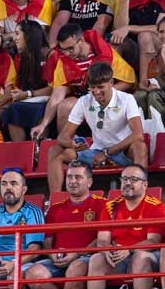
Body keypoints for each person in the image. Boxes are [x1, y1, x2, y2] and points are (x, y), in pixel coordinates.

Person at [46, 62, 147, 194]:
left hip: (122, 150)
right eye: (92, 87)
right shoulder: (84, 101)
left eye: (100, 87)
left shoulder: (127, 99)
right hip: (95, 151)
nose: (96, 92)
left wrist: (106, 153)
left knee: (140, 146)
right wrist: (73, 144)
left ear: (111, 82)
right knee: (55, 150)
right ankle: (54, 201)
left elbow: (138, 134)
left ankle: (143, 195)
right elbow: (62, 137)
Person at [31, 24, 135, 141]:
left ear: (81, 40)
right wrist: (43, 124)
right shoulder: (64, 61)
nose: (67, 53)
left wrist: (103, 92)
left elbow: (128, 81)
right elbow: (56, 96)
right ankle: (66, 147)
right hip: (83, 98)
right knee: (64, 106)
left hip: (107, 96)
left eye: (70, 48)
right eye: (63, 49)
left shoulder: (105, 53)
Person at [25, 162, 108, 289]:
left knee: (76, 269)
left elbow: (103, 239)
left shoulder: (103, 204)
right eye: (69, 177)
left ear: (89, 182)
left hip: (86, 258)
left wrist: (76, 253)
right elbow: (47, 241)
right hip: (57, 260)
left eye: (78, 177)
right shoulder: (55, 208)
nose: (72, 181)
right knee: (33, 274)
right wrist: (53, 255)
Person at [87, 164, 165, 289]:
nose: (127, 183)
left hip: (148, 255)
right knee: (97, 259)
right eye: (124, 179)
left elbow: (154, 241)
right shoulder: (110, 206)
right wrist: (106, 250)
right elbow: (102, 240)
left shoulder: (156, 206)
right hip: (119, 256)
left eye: (133, 179)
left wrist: (129, 249)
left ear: (145, 185)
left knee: (140, 257)